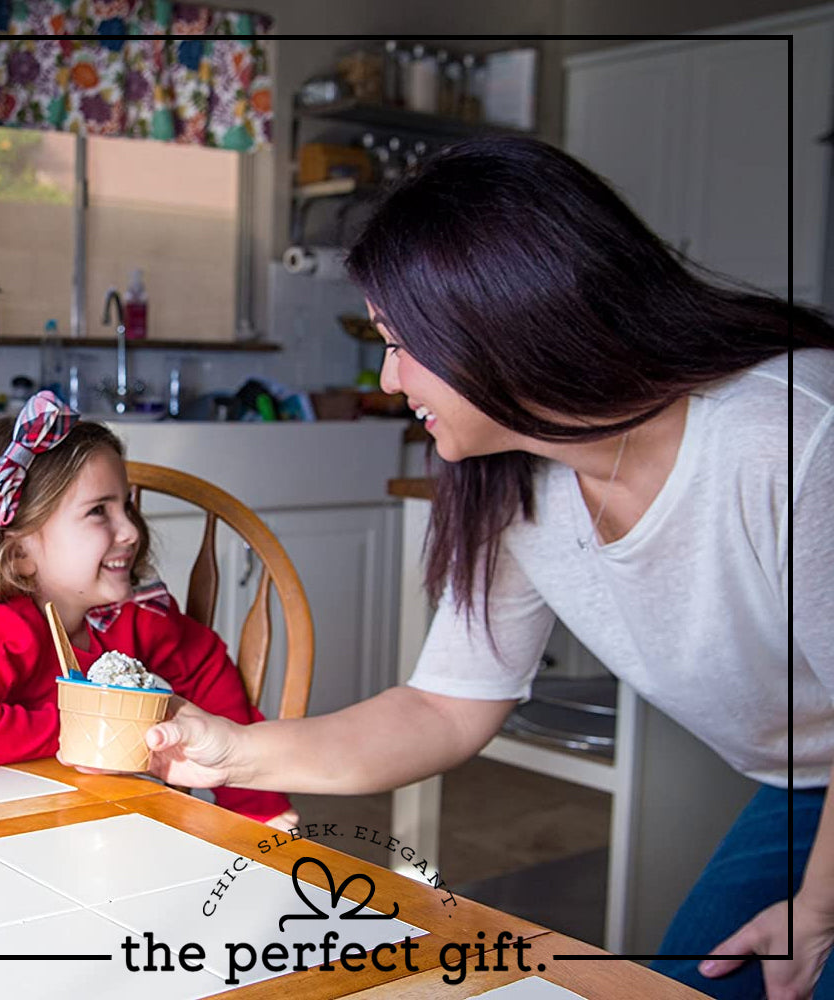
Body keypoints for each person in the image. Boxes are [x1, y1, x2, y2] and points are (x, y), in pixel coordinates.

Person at [133, 136, 834, 999]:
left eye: (401, 343)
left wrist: (818, 911)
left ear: (501, 319)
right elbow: (443, 709)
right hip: (806, 783)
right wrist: (234, 752)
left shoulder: (794, 437)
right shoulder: (519, 487)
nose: (390, 380)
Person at [0, 391, 296, 829]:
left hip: (111, 835)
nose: (131, 531)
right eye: (99, 511)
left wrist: (258, 809)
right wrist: (88, 724)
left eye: (127, 506)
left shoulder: (136, 621)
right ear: (19, 552)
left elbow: (212, 682)